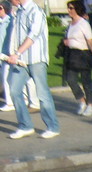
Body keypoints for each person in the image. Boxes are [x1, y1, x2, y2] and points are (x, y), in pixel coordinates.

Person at [4, 0, 59, 139]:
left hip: (36, 59)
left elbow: (33, 35)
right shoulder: (18, 12)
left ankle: (52, 126)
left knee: (42, 93)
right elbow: (15, 36)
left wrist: (17, 53)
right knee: (14, 91)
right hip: (21, 61)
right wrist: (12, 53)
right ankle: (25, 125)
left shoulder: (36, 11)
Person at [62, 0, 92, 117]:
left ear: (77, 9)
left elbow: (89, 41)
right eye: (68, 8)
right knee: (70, 79)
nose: (69, 10)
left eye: (71, 8)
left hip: (84, 54)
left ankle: (90, 105)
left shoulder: (83, 24)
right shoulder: (70, 24)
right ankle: (82, 101)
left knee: (86, 81)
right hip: (72, 54)